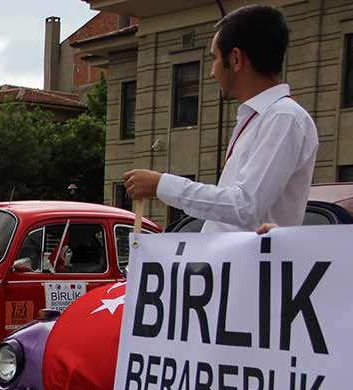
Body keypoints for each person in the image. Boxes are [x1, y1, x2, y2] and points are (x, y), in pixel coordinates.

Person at [123, 5, 318, 232]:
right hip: (231, 263)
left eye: (214, 58)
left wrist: (162, 185)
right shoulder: (261, 118)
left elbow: (244, 206)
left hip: (249, 265)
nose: (211, 72)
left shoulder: (283, 118)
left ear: (235, 59)